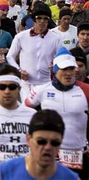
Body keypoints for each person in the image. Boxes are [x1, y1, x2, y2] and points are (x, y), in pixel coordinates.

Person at [25, 47, 88, 178]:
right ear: (55, 70)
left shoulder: (85, 90)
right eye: (64, 69)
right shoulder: (41, 90)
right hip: (50, 151)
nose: (69, 73)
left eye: (71, 69)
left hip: (78, 152)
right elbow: (23, 111)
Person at [0, 109, 78, 180]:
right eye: (41, 141)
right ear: (28, 139)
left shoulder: (70, 178)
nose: (48, 147)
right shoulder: (2, 173)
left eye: (55, 143)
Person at [0, 66, 36, 161]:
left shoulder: (32, 115)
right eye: (2, 87)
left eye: (12, 87)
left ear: (19, 89)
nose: (7, 91)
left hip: (25, 170)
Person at [6, 3, 62, 96]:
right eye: (39, 18)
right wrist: (19, 71)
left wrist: (55, 65)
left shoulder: (56, 39)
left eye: (45, 18)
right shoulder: (21, 36)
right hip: (26, 84)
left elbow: (61, 59)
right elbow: (10, 56)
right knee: (28, 110)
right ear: (33, 19)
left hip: (47, 83)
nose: (42, 21)